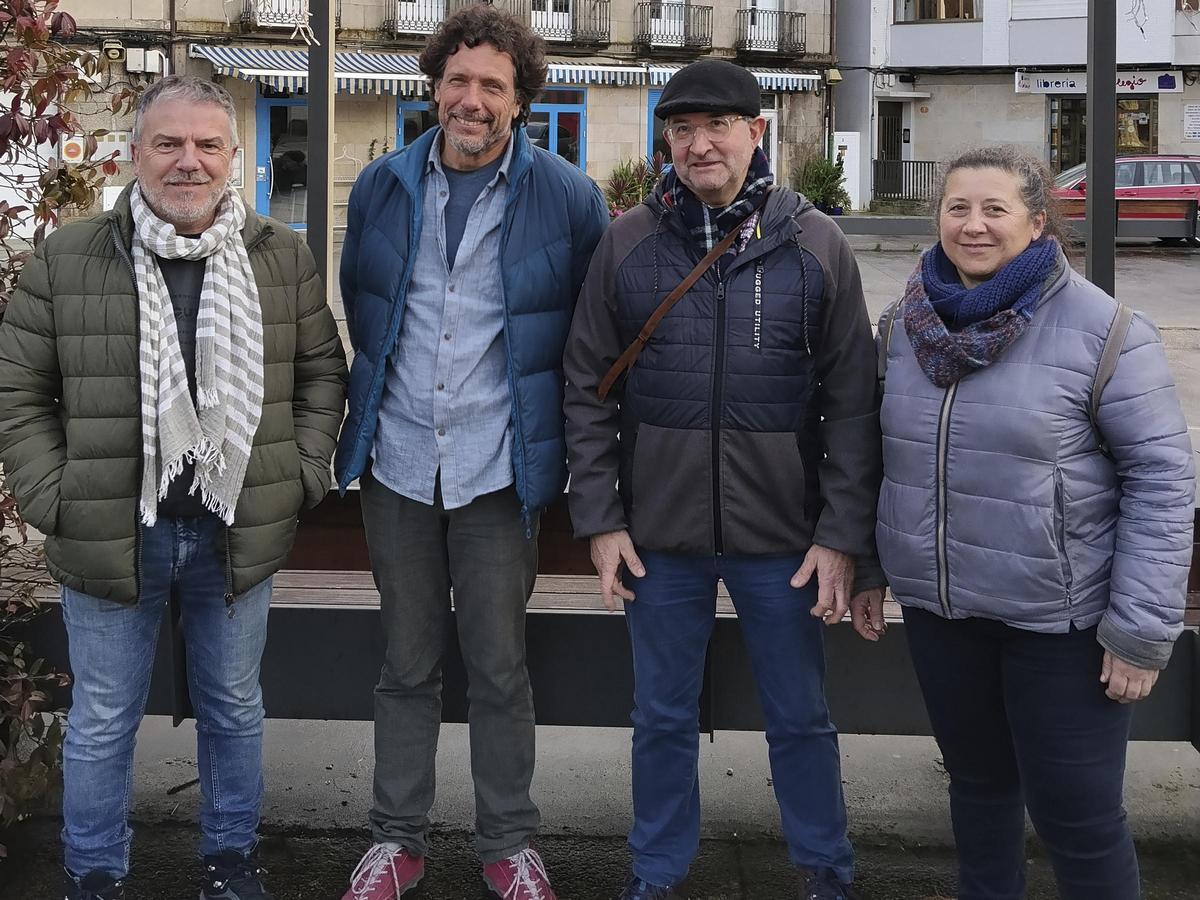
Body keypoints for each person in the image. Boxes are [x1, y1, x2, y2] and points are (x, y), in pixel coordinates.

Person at [0, 75, 348, 900]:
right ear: (136, 154)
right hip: (110, 531)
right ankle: (95, 874)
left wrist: (295, 475)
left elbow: (321, 374)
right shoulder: (70, 255)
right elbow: (20, 390)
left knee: (234, 712)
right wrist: (55, 495)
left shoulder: (279, 257)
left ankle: (229, 866)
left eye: (206, 145)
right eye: (168, 143)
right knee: (101, 723)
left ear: (235, 158)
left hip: (236, 529)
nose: (187, 162)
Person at [563, 58, 884, 900]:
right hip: (657, 536)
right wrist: (601, 519)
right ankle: (657, 873)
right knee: (661, 719)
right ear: (666, 140)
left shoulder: (814, 245)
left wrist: (841, 533)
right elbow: (588, 389)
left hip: (785, 539)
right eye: (681, 129)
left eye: (717, 127)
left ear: (756, 133)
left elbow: (854, 403)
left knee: (802, 719)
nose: (698, 145)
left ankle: (825, 870)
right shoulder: (626, 243)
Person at [333, 6, 608, 900]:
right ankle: (395, 841)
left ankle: (508, 848)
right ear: (434, 84)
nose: (473, 99)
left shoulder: (567, 197)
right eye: (459, 79)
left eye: (494, 84)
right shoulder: (380, 185)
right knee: (405, 666)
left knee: (498, 667)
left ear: (521, 97)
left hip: (501, 471)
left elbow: (592, 335)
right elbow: (365, 308)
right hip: (399, 465)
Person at [871, 145, 1196, 900]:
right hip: (943, 612)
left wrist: (1141, 632)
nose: (974, 226)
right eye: (958, 208)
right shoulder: (903, 326)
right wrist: (867, 567)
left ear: (1038, 222)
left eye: (995, 210)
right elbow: (876, 457)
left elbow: (1161, 481)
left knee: (1078, 820)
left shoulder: (1105, 330)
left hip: (1063, 627)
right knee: (979, 797)